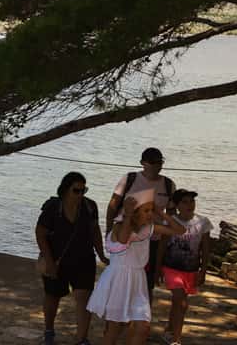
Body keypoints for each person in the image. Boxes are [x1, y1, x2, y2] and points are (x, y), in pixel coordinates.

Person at [87, 190, 186, 345]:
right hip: (119, 279)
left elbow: (180, 231)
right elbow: (123, 239)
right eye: (146, 210)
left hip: (138, 280)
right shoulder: (119, 226)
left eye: (151, 210)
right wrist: (127, 215)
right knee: (114, 328)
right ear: (134, 212)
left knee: (143, 327)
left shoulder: (148, 228)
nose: (150, 214)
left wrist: (161, 212)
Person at [36, 172, 108, 345]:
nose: (80, 194)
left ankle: (81, 339)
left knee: (84, 298)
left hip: (84, 259)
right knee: (53, 296)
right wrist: (50, 262)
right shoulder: (54, 207)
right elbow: (40, 233)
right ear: (65, 190)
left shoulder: (90, 206)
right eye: (76, 190)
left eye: (84, 190)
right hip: (57, 260)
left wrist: (101, 254)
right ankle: (49, 331)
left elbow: (95, 230)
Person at [106, 147, 176, 300]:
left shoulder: (168, 185)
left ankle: (142, 313)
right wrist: (109, 233)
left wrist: (164, 248)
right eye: (152, 162)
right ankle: (117, 311)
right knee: (121, 281)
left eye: (160, 162)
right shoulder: (129, 179)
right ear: (142, 163)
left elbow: (171, 218)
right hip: (126, 238)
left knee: (146, 285)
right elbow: (112, 206)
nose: (157, 166)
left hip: (152, 240)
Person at [159, 189, 212, 345]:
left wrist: (203, 271)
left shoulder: (203, 222)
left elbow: (206, 249)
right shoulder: (170, 221)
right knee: (181, 303)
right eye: (185, 202)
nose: (190, 205)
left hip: (191, 270)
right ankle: (176, 339)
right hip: (171, 268)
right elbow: (162, 246)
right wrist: (157, 269)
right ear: (176, 205)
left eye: (192, 201)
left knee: (178, 302)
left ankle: (169, 330)